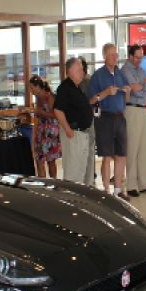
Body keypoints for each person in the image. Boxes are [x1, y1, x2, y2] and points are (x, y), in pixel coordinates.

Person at [88, 43, 131, 200]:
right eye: (112, 54)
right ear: (104, 56)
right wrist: (106, 92)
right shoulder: (98, 75)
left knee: (121, 155)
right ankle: (106, 191)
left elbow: (126, 98)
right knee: (106, 155)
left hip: (120, 117)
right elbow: (91, 100)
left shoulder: (120, 74)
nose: (115, 57)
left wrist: (128, 91)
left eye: (116, 54)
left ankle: (118, 190)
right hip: (104, 118)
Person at [121, 44, 146, 197]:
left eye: (141, 57)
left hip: (144, 110)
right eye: (137, 57)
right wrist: (144, 84)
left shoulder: (141, 69)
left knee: (144, 148)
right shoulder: (125, 70)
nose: (139, 60)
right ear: (130, 56)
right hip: (132, 110)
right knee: (133, 148)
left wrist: (142, 84)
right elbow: (135, 88)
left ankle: (144, 184)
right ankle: (131, 185)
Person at [53, 57, 94, 185]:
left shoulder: (77, 87)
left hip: (82, 133)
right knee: (73, 172)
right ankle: (71, 200)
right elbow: (58, 110)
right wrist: (68, 130)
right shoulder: (64, 88)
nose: (82, 72)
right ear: (70, 71)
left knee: (81, 170)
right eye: (79, 70)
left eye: (82, 70)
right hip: (74, 133)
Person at [29, 75, 61, 179]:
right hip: (41, 133)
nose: (30, 90)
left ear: (38, 86)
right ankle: (42, 185)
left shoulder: (50, 96)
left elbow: (56, 115)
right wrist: (34, 138)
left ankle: (54, 184)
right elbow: (37, 119)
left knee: (50, 161)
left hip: (51, 133)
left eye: (31, 88)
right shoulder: (38, 99)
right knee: (39, 160)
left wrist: (40, 111)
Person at [77, 57, 97, 185]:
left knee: (89, 149)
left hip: (88, 119)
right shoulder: (80, 82)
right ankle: (88, 175)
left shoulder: (87, 82)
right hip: (84, 120)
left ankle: (89, 177)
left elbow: (88, 102)